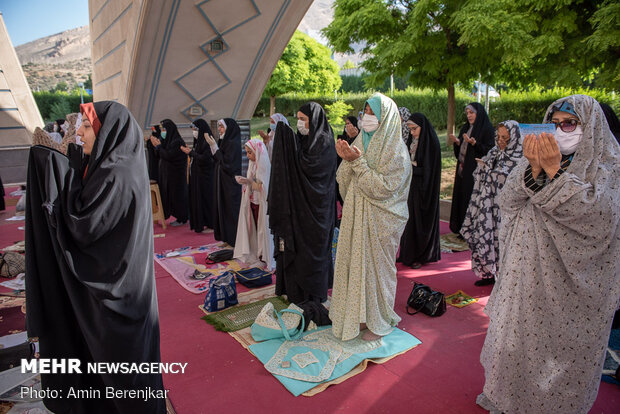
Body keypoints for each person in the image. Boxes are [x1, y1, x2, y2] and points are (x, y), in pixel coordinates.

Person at [477, 95, 620, 414]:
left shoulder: (607, 169)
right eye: (553, 124)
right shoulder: (534, 159)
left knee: (557, 366)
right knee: (520, 351)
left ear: (590, 127)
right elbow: (508, 201)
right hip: (525, 281)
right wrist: (534, 169)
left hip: (570, 295)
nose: (561, 130)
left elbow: (600, 219)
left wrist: (554, 176)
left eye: (569, 123)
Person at [25, 101, 166, 413]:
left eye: (87, 128)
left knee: (126, 372)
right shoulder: (112, 165)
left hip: (121, 296)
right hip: (120, 286)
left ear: (107, 131)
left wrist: (51, 163)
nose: (81, 134)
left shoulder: (118, 174)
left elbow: (85, 226)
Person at [330, 92, 412, 341]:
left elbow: (383, 189)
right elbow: (344, 182)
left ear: (386, 118)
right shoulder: (363, 143)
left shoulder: (397, 153)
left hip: (381, 223)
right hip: (357, 218)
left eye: (372, 113)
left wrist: (358, 164)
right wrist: (347, 160)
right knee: (357, 269)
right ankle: (364, 317)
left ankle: (381, 321)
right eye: (365, 112)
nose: (367, 118)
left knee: (378, 272)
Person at [268, 102, 337, 304]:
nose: (299, 123)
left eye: (303, 119)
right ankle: (296, 291)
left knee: (313, 253)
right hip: (299, 210)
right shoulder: (302, 140)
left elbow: (313, 172)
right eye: (297, 118)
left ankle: (313, 292)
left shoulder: (324, 142)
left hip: (318, 212)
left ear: (314, 120)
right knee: (297, 251)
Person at [460, 121, 523, 286]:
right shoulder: (494, 152)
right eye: (499, 137)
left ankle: (504, 278)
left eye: (505, 138)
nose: (501, 141)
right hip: (487, 207)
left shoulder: (520, 158)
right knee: (486, 238)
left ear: (514, 138)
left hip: (506, 212)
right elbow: (479, 174)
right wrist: (483, 168)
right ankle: (488, 272)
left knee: (503, 242)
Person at [398, 112, 442, 269]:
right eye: (409, 129)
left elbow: (428, 170)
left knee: (419, 222)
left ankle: (420, 256)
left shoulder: (431, 143)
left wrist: (412, 168)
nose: (412, 132)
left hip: (425, 190)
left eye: (414, 129)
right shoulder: (413, 140)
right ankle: (407, 254)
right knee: (409, 221)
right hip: (412, 188)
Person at [448, 102, 495, 234]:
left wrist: (475, 144)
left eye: (471, 113)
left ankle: (471, 230)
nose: (469, 115)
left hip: (475, 172)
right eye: (467, 113)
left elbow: (490, 150)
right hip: (463, 170)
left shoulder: (486, 129)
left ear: (478, 113)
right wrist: (458, 143)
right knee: (461, 197)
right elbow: (460, 152)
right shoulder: (465, 128)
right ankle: (461, 227)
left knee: (470, 199)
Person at [234, 139, 274, 269]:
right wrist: (246, 182)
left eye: (250, 152)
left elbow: (263, 187)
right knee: (255, 230)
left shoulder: (263, 165)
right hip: (253, 201)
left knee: (263, 230)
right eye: (246, 152)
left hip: (262, 204)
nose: (248, 156)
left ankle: (264, 257)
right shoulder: (252, 164)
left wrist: (249, 182)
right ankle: (257, 254)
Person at [205, 118, 242, 247]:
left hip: (230, 184)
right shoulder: (225, 142)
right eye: (219, 126)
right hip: (222, 182)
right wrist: (214, 147)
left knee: (231, 211)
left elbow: (228, 165)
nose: (219, 129)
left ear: (229, 128)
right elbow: (217, 159)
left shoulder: (233, 144)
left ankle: (234, 241)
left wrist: (214, 147)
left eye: (221, 127)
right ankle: (227, 239)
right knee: (223, 210)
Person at [150, 119, 189, 226]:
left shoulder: (177, 141)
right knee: (167, 196)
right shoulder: (167, 140)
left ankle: (181, 218)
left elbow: (168, 156)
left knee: (177, 197)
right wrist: (156, 146)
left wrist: (158, 146)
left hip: (176, 175)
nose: (162, 131)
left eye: (164, 129)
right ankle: (167, 214)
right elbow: (159, 155)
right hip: (167, 175)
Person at [182, 119, 215, 233]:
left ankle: (211, 224)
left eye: (195, 129)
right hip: (198, 177)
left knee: (207, 200)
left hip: (205, 177)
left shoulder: (208, 141)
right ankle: (202, 223)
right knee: (200, 200)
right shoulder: (199, 141)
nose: (194, 132)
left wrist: (190, 153)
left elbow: (205, 159)